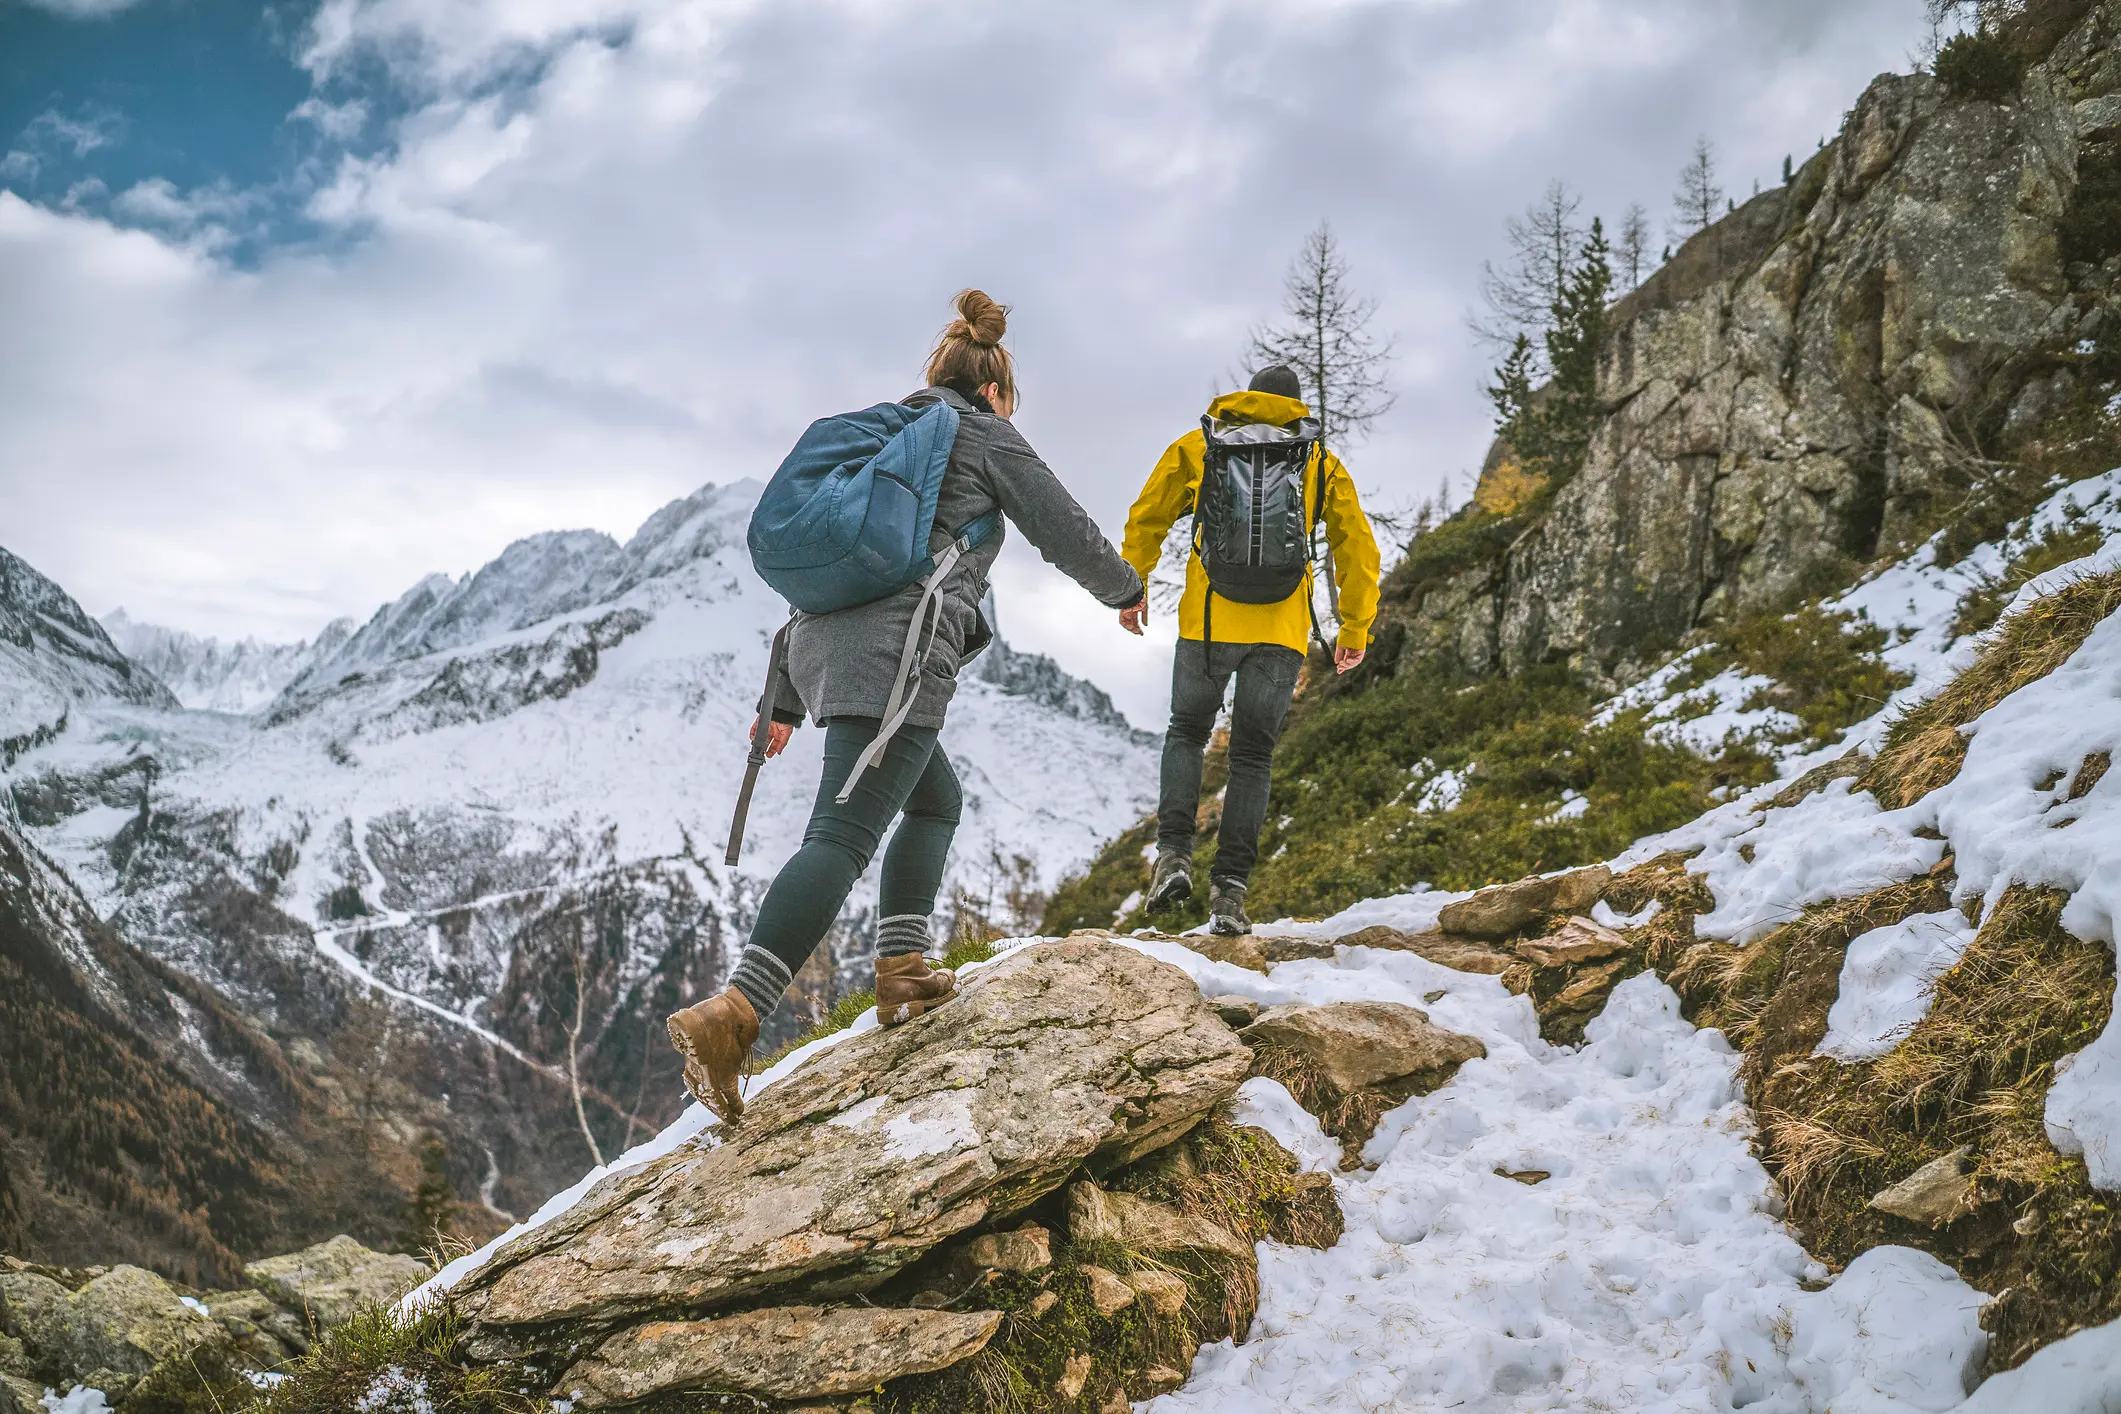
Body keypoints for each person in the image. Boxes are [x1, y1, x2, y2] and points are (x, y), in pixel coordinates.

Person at [667, 290, 1144, 1123]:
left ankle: (902, 972)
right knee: (841, 836)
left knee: (935, 800)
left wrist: (780, 696)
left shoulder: (881, 435)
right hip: (897, 656)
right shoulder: (982, 433)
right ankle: (734, 1015)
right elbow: (1062, 526)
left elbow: (833, 573)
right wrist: (1125, 589)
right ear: (995, 390)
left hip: (824, 651)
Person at [1117, 364, 1380, 935]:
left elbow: (1149, 516)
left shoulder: (1202, 445)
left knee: (1187, 732)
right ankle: (1230, 893)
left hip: (1208, 622)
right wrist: (1354, 626)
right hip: (1281, 630)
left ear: (1248, 398)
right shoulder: (1318, 459)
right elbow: (1355, 544)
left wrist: (1132, 586)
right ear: (1294, 406)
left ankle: (1174, 857)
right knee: (1252, 758)